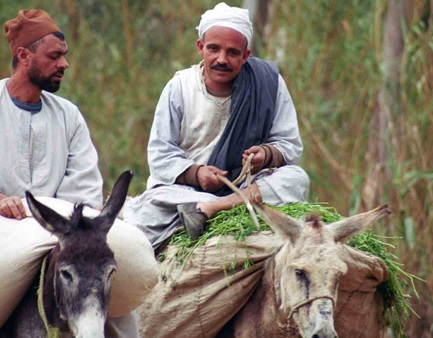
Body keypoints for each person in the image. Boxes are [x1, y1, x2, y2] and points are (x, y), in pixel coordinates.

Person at [0, 9, 139, 338]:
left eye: (65, 56)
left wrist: (54, 224)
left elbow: (84, 189)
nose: (64, 64)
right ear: (23, 55)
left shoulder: (69, 116)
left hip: (54, 238)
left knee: (123, 319)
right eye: (54, 56)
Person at [124, 2, 310, 250]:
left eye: (233, 52)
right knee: (150, 209)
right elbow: (160, 154)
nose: (222, 59)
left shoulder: (269, 83)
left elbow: (289, 145)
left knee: (296, 178)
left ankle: (213, 209)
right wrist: (197, 174)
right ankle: (206, 205)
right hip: (187, 192)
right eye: (214, 49)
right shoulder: (179, 87)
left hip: (246, 186)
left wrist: (265, 155)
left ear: (246, 56)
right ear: (200, 48)